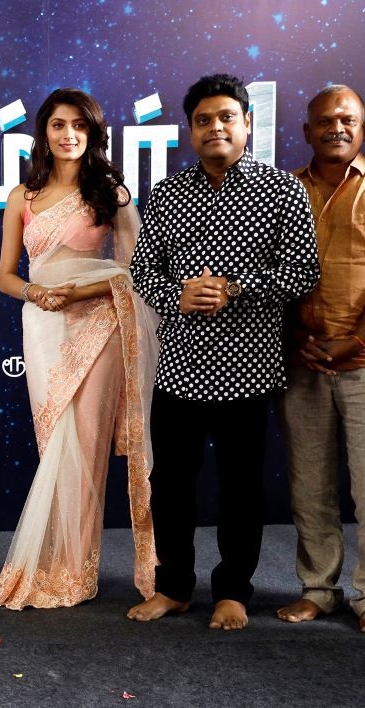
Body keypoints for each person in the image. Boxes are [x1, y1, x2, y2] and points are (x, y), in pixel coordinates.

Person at [128, 74, 318, 630]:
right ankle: (174, 587)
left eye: (226, 117)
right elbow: (143, 271)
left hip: (248, 368)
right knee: (170, 486)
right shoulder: (168, 193)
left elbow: (303, 271)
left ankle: (233, 590)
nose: (216, 127)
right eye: (204, 120)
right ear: (191, 130)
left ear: (247, 123)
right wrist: (179, 295)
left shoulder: (281, 190)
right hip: (180, 366)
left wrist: (234, 287)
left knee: (240, 487)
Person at [0, 89, 159, 610]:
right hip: (42, 326)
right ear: (43, 132)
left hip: (99, 326)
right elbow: (5, 277)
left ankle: (76, 573)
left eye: (79, 126)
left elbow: (135, 273)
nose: (69, 135)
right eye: (59, 125)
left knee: (84, 447)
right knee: (54, 445)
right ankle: (59, 562)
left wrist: (78, 294)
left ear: (93, 134)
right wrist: (37, 293)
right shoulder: (22, 196)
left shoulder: (111, 194)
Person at [276, 84, 365, 633]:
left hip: (363, 361)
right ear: (307, 131)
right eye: (326, 120)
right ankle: (318, 589)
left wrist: (356, 340)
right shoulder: (283, 192)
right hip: (301, 361)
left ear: (362, 126)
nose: (337, 128)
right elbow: (266, 270)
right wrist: (293, 339)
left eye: (348, 119)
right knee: (310, 486)